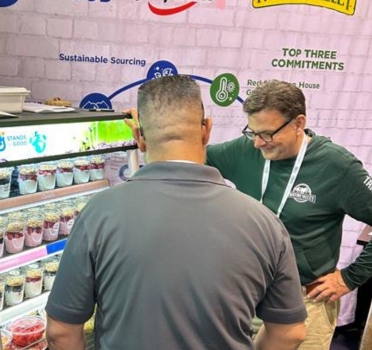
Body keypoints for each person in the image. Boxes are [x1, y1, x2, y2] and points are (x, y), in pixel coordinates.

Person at [45, 75, 307, 350]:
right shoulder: (265, 223)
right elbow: (289, 333)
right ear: (206, 130)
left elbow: (61, 332)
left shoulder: (98, 214)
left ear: (139, 138)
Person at [196, 79, 372, 349]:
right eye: (252, 132)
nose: (258, 143)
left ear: (298, 123)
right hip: (246, 295)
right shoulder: (247, 150)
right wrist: (146, 134)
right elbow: (190, 157)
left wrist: (350, 277)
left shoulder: (336, 166)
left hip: (305, 300)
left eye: (267, 134)